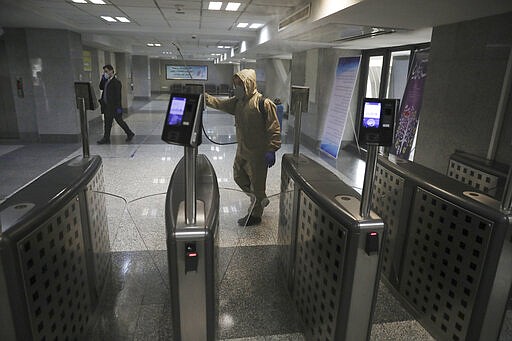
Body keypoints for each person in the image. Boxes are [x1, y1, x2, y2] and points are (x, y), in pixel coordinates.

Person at [205, 69, 281, 226]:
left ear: (249, 83)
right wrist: (204, 97)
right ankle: (258, 198)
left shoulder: (263, 103)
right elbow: (220, 104)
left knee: (258, 183)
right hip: (243, 149)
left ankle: (255, 214)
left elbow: (273, 128)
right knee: (238, 176)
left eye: (240, 84)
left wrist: (272, 149)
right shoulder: (238, 102)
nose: (237, 87)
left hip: (258, 153)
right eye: (236, 84)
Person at [97, 64, 135, 144]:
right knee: (107, 122)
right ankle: (106, 138)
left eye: (106, 71)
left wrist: (118, 108)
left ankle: (129, 133)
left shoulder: (116, 82)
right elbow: (100, 87)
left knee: (120, 121)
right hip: (107, 106)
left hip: (114, 107)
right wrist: (103, 79)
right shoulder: (106, 81)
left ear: (111, 71)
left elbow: (118, 96)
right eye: (104, 72)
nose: (105, 73)